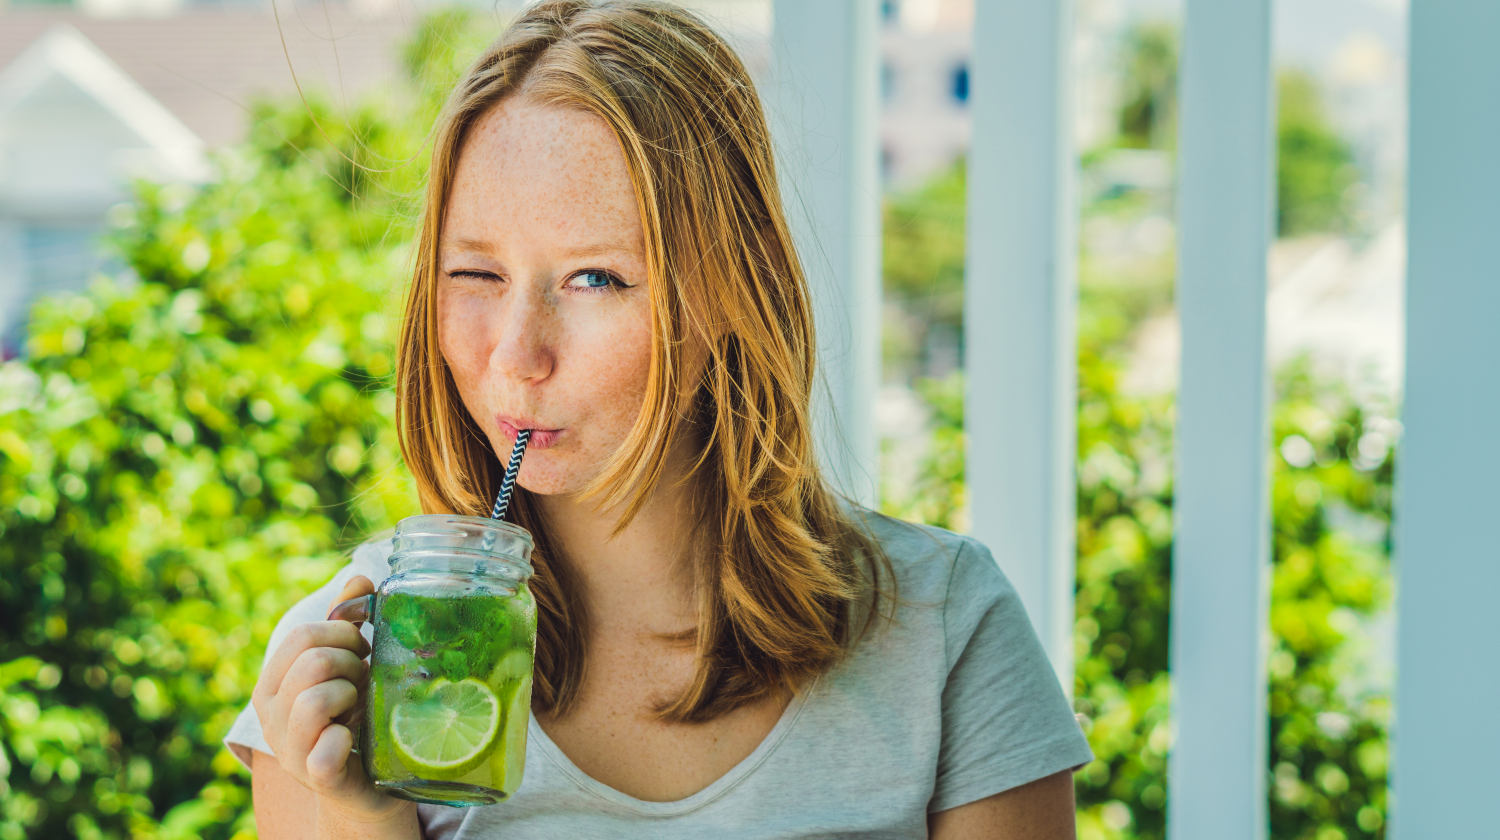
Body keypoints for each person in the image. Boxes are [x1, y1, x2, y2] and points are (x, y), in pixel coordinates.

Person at [223, 1, 1094, 837]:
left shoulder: (947, 631)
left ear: (726, 296)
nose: (517, 355)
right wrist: (359, 818)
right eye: (477, 276)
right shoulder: (334, 685)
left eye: (595, 279)